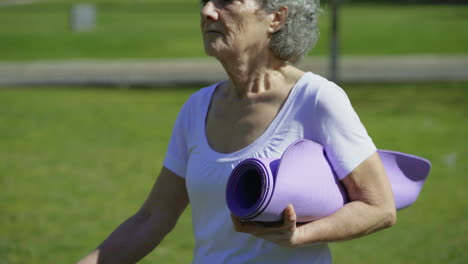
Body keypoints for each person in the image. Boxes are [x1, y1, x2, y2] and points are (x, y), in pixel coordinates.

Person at [77, 0, 396, 263]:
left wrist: (301, 235)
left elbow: (379, 208)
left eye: (226, 1)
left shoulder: (316, 99)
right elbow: (151, 219)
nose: (207, 11)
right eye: (204, 1)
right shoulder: (197, 108)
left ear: (276, 17)